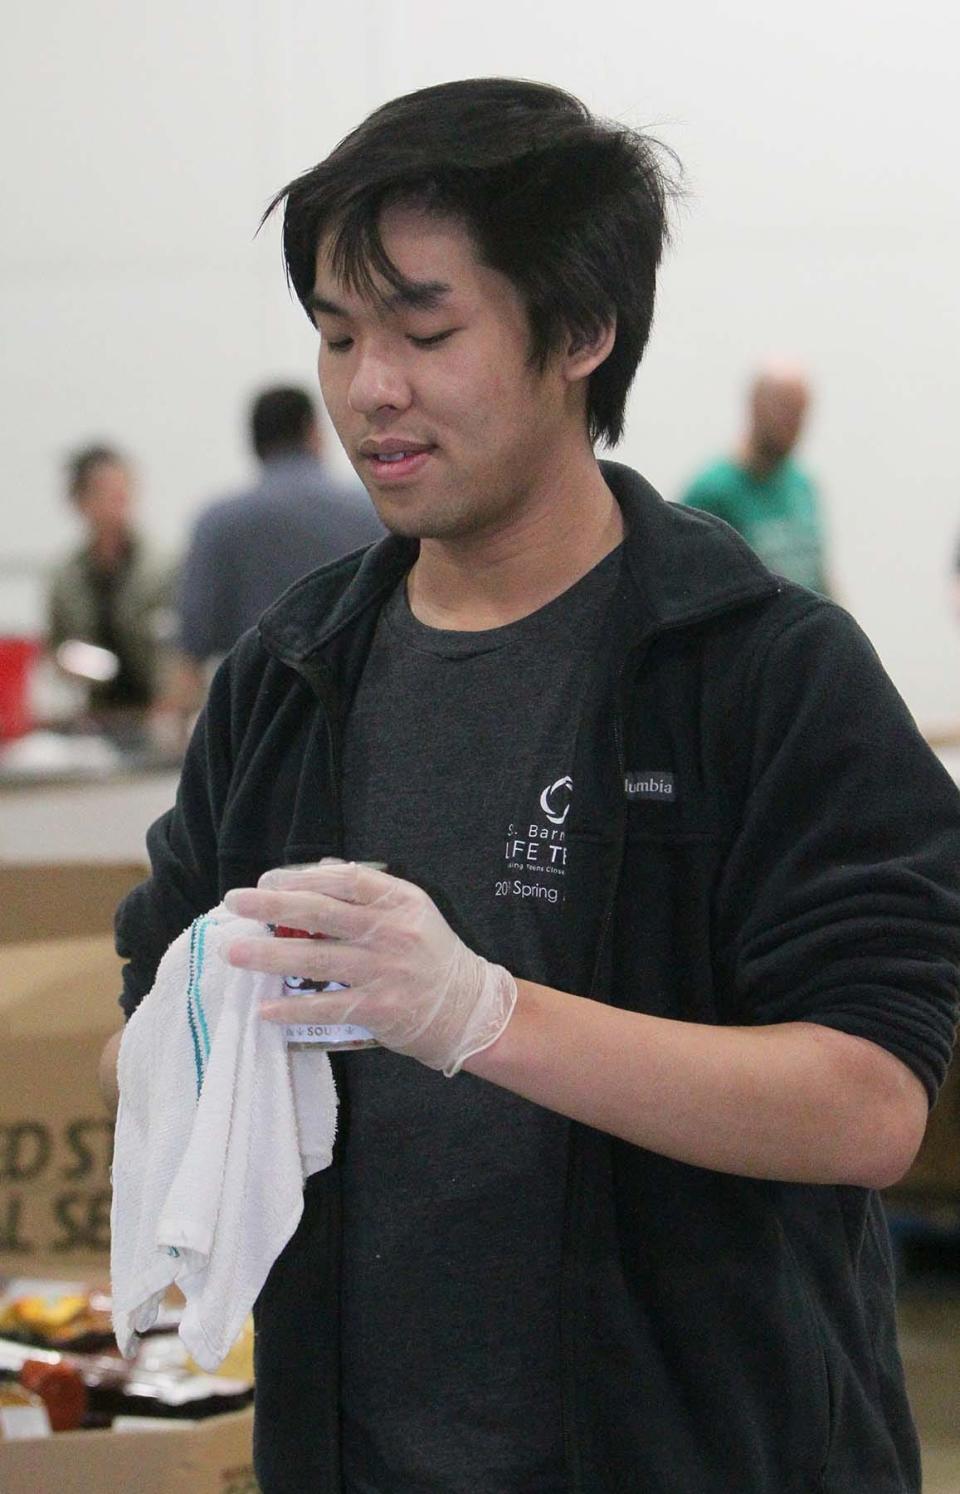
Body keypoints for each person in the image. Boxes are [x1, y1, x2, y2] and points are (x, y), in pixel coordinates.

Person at [102, 78, 960, 1493]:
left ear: (581, 331)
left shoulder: (758, 670)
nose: (371, 384)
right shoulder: (290, 673)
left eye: (426, 329)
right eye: (335, 333)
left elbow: (868, 1105)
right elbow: (153, 998)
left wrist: (481, 1012)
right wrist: (199, 1026)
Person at [171, 385, 382, 715]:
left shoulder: (217, 522)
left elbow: (191, 646)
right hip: (362, 709)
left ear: (254, 441)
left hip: (258, 719)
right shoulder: (372, 508)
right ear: (312, 431)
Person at [48, 444, 175, 723]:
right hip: (97, 712)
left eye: (124, 489)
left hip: (156, 710)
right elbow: (56, 647)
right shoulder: (67, 576)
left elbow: (181, 644)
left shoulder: (163, 566)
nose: (119, 499)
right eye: (106, 491)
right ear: (81, 501)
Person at [680, 362, 832, 594]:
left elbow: (818, 574)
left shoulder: (802, 485)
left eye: (801, 414)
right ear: (755, 406)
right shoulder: (712, 492)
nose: (794, 426)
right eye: (786, 411)